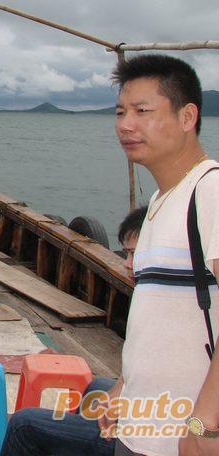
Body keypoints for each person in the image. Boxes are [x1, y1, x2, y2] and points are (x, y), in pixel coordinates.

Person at [111, 54, 219, 456]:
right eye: (121, 111)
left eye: (142, 111)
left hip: (183, 437)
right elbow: (158, 318)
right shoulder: (160, 200)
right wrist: (123, 387)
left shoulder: (210, 192)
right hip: (140, 428)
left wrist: (203, 422)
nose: (125, 124)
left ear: (187, 117)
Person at [0, 206, 147, 456]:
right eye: (127, 255)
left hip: (149, 432)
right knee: (97, 385)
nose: (127, 265)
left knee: (23, 424)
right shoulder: (152, 298)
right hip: (143, 404)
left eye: (135, 255)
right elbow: (140, 366)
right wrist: (118, 393)